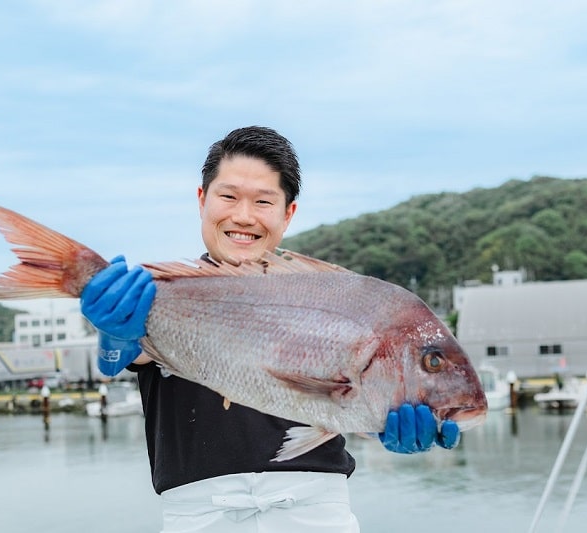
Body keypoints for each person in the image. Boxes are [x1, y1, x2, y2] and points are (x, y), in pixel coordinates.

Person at [81, 126, 459, 532]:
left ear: (288, 212)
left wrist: (385, 423)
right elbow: (121, 358)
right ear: (202, 199)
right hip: (200, 519)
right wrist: (113, 339)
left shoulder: (332, 299)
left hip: (316, 515)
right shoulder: (162, 296)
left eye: (263, 201)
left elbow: (341, 404)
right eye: (228, 197)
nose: (243, 216)